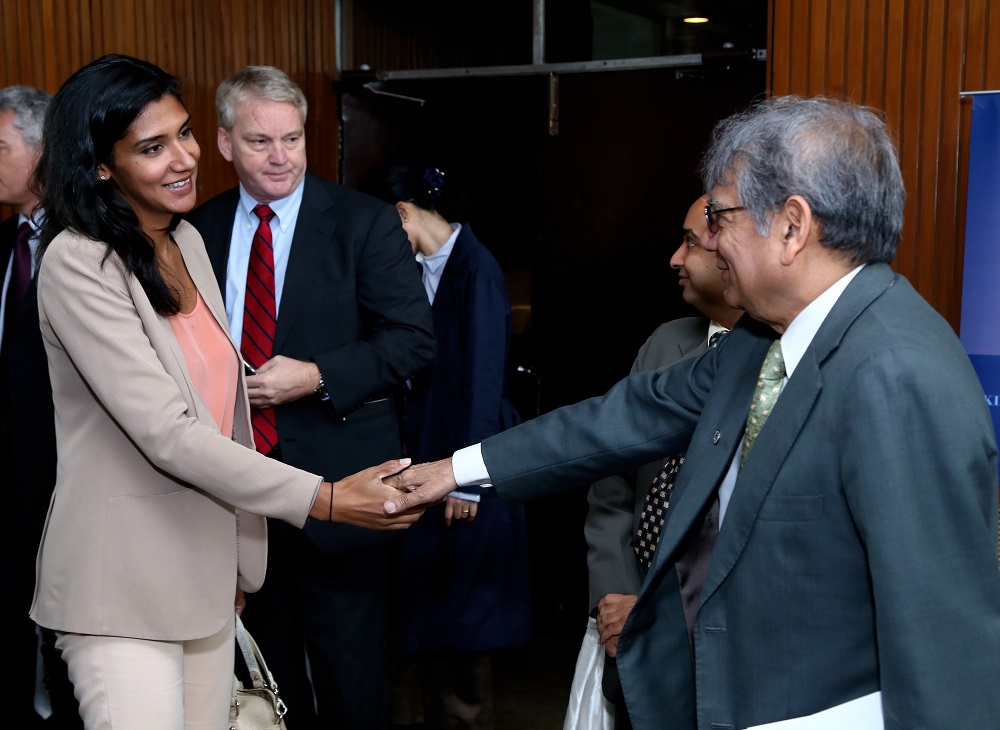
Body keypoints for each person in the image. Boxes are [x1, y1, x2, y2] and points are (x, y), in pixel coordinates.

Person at [385, 96, 1000, 729]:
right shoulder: (762, 339)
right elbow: (628, 416)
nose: (707, 242)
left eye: (719, 216)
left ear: (792, 227)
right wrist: (456, 469)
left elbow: (945, 652)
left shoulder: (898, 373)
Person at [30, 54, 420, 730]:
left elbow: (225, 414)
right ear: (101, 165)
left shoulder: (183, 240)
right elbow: (168, 432)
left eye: (182, 133)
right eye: (152, 147)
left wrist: (235, 560)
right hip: (121, 580)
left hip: (205, 574)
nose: (183, 158)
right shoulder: (80, 261)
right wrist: (325, 498)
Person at [186, 68, 435, 730]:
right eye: (260, 141)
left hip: (344, 497)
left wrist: (317, 375)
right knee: (268, 692)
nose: (280, 157)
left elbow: (413, 341)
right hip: (240, 502)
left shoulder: (363, 222)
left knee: (354, 690)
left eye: (292, 140)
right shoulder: (196, 230)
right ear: (224, 143)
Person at [363, 163, 531, 729]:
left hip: (466, 450)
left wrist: (469, 478)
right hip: (428, 445)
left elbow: (484, 377)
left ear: (402, 213)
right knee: (421, 611)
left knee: (462, 618)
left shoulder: (475, 268)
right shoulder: (419, 268)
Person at [579, 194, 742, 729]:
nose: (675, 258)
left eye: (690, 243)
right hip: (627, 635)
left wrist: (656, 612)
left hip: (718, 650)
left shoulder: (780, 365)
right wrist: (616, 593)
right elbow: (612, 484)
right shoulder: (665, 344)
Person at [1, 84, 81, 730]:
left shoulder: (86, 240)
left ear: (40, 150)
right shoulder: (5, 242)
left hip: (72, 479)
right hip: (10, 485)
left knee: (72, 643)